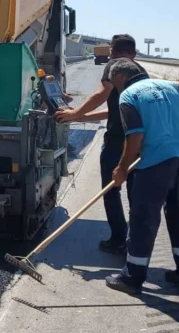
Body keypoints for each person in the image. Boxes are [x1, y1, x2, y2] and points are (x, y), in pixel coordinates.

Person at [105, 58, 179, 293]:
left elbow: (135, 137)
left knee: (143, 218)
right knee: (177, 214)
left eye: (113, 83)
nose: (114, 88)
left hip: (154, 164)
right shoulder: (171, 86)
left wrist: (121, 169)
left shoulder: (128, 96)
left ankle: (132, 277)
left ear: (121, 77)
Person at [55, 34, 146, 254]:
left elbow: (100, 95)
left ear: (112, 51)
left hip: (117, 142)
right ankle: (136, 243)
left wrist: (75, 112)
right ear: (133, 52)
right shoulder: (142, 73)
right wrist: (78, 117)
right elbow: (114, 111)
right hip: (140, 142)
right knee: (136, 194)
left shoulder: (115, 66)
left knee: (112, 190)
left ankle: (118, 240)